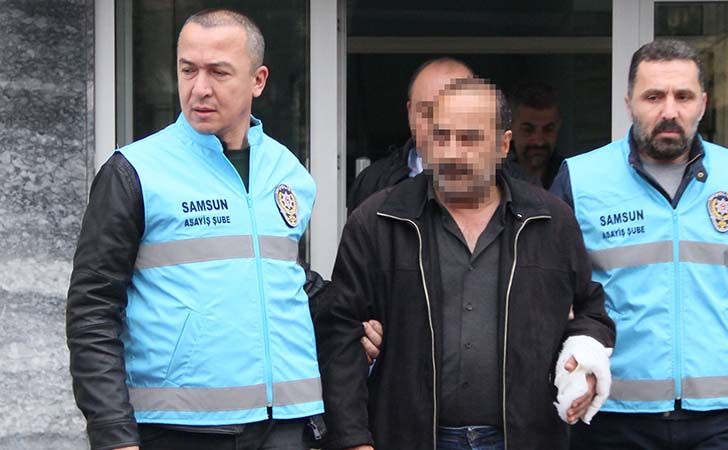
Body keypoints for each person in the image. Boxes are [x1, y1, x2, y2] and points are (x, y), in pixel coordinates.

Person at [67, 9, 326, 450]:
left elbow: (280, 279)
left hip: (288, 426)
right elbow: (91, 310)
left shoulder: (288, 171)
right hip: (179, 430)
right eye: (188, 70)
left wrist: (354, 319)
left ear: (258, 80)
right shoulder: (134, 172)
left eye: (219, 72)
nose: (199, 88)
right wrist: (113, 434)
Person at [551, 39, 728, 449]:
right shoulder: (582, 179)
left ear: (703, 103)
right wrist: (569, 370)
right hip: (610, 416)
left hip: (719, 420)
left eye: (683, 96)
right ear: (629, 103)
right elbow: (546, 292)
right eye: (653, 97)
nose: (669, 111)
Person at [315, 78, 616, 450]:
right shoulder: (378, 221)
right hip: (409, 437)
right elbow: (340, 335)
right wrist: (353, 440)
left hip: (524, 437)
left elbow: (590, 311)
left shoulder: (550, 221)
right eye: (441, 137)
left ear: (503, 145)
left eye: (470, 138)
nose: (453, 153)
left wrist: (585, 359)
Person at [346, 58, 474, 215]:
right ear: (410, 112)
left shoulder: (500, 182)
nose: (440, 124)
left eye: (454, 111)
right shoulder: (372, 182)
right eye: (428, 112)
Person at [507, 82, 564, 189]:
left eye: (548, 129)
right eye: (528, 130)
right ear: (510, 129)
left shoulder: (569, 176)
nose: (539, 142)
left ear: (558, 127)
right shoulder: (494, 177)